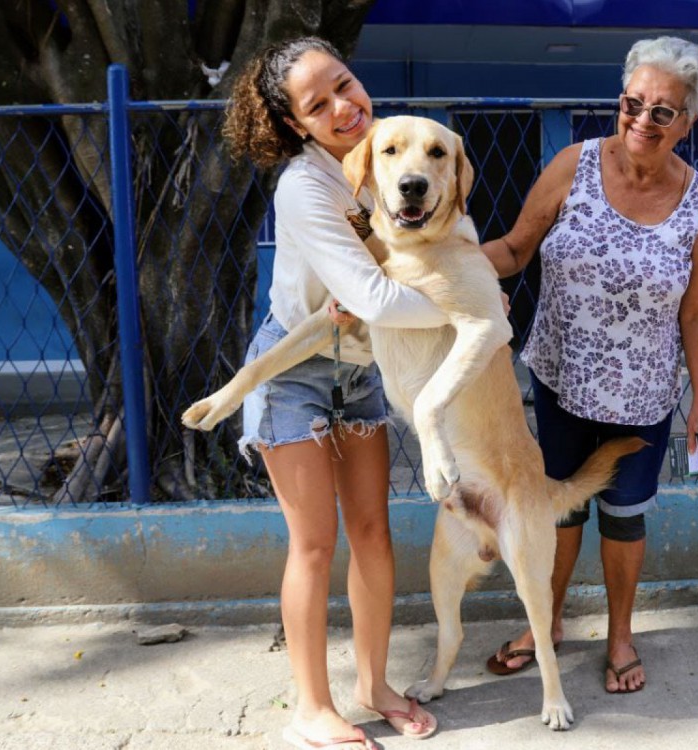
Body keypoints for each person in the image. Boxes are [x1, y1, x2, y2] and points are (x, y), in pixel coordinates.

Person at [479, 35, 698, 694]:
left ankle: (619, 636)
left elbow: (697, 314)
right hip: (561, 380)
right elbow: (514, 249)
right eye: (632, 104)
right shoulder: (574, 164)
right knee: (557, 512)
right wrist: (447, 263)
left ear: (686, 122)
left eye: (661, 111)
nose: (642, 121)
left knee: (623, 516)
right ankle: (547, 622)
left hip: (642, 397)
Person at [222, 36, 441, 750]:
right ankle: (311, 709)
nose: (345, 107)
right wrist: (469, 306)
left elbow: (428, 241)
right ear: (295, 125)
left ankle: (373, 685)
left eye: (345, 85)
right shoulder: (304, 185)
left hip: (360, 369)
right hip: (296, 370)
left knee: (374, 533)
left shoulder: (385, 152)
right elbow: (377, 296)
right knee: (314, 545)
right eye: (319, 105)